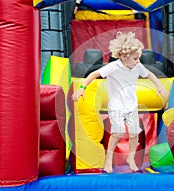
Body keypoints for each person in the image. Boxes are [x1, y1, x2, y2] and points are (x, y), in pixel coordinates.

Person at [72, 31, 168, 173]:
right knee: (117, 132)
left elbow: (150, 74)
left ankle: (131, 158)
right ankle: (109, 159)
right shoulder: (113, 67)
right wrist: (82, 88)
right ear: (124, 56)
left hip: (131, 106)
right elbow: (94, 74)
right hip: (116, 106)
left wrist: (160, 87)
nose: (138, 62)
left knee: (134, 133)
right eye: (135, 59)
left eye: (139, 59)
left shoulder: (137, 66)